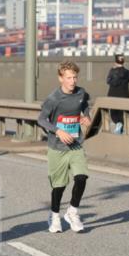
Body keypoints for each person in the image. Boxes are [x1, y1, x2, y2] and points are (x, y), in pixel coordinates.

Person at [37, 60, 92, 234]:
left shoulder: (81, 93)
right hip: (57, 148)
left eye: (75, 77)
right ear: (60, 78)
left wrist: (86, 117)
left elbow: (85, 107)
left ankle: (72, 212)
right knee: (59, 186)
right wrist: (57, 131)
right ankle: (54, 216)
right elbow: (41, 120)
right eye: (69, 78)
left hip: (76, 146)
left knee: (81, 177)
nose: (73, 81)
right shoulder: (54, 99)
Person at [106, 54, 129, 134]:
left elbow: (108, 81)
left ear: (115, 61)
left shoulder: (112, 71)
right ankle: (121, 126)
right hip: (124, 94)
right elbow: (128, 81)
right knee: (122, 112)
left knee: (114, 113)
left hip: (113, 94)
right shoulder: (128, 72)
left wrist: (113, 72)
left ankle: (118, 124)